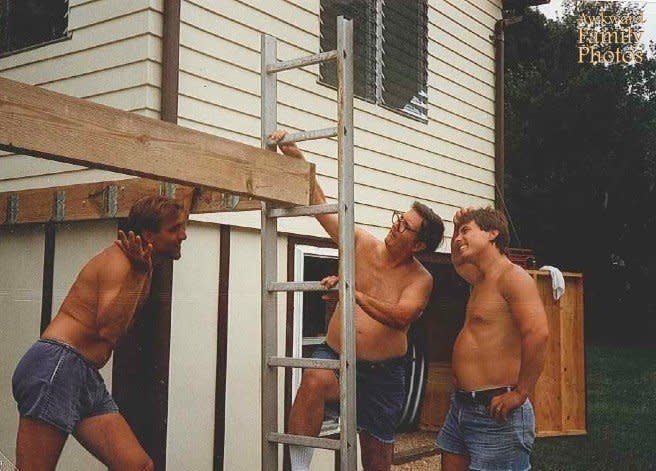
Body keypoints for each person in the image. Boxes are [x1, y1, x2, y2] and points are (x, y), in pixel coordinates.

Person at [269, 130, 445, 471]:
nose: (396, 226)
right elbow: (320, 206)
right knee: (314, 378)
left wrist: (351, 292)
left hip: (383, 374)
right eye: (399, 219)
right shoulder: (360, 242)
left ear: (419, 245)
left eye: (406, 227)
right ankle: (298, 469)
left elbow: (400, 316)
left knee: (376, 459)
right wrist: (296, 158)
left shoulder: (421, 278)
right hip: (336, 355)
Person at [12, 195, 188, 471]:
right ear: (148, 234)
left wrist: (141, 271)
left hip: (82, 372)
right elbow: (109, 329)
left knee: (138, 466)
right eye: (174, 229)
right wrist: (138, 272)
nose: (184, 235)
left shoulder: (142, 265)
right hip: (57, 366)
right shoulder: (122, 263)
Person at [437, 207, 549, 471]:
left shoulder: (513, 278)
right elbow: (457, 262)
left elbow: (538, 333)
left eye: (466, 231)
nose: (457, 238)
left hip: (497, 414)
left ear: (492, 233)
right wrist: (457, 227)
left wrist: (522, 392)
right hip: (462, 408)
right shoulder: (480, 279)